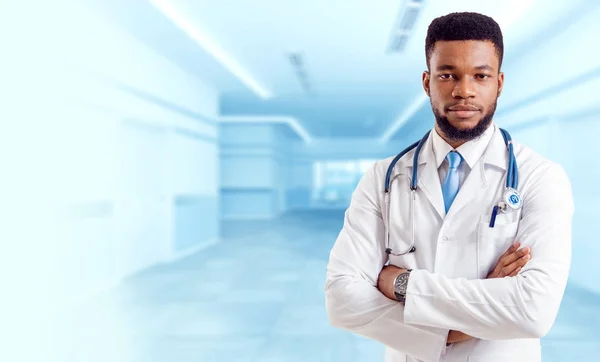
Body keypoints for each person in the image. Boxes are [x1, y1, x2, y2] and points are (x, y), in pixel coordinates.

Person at [324, 11, 573, 362]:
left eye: (480, 75)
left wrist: (400, 284)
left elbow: (534, 310)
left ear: (499, 83)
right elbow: (341, 299)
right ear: (427, 82)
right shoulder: (383, 178)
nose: (464, 91)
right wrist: (471, 316)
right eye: (447, 75)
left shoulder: (541, 178)